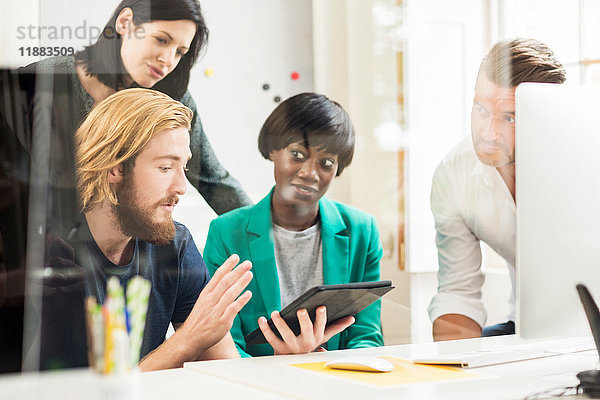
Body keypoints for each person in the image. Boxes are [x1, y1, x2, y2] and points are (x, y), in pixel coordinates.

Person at [74, 88, 253, 371]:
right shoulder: (51, 252)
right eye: (166, 167)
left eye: (184, 167)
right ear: (115, 169)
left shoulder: (175, 245)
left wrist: (286, 361)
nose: (181, 187)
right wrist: (186, 341)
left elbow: (226, 373)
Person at [19, 0, 250, 216]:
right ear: (125, 22)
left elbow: (213, 180)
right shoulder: (39, 81)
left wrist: (266, 234)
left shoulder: (172, 97)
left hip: (127, 242)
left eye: (180, 52)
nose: (168, 59)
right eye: (161, 40)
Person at [203, 93, 384, 357]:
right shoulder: (225, 233)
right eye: (298, 154)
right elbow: (222, 342)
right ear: (273, 151)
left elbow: (367, 337)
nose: (310, 173)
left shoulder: (362, 231)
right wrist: (279, 369)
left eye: (326, 163)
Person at [428, 38, 566, 341]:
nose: (487, 133)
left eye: (509, 117)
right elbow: (458, 292)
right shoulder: (455, 173)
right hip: (526, 327)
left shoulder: (584, 159)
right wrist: (454, 371)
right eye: (480, 109)